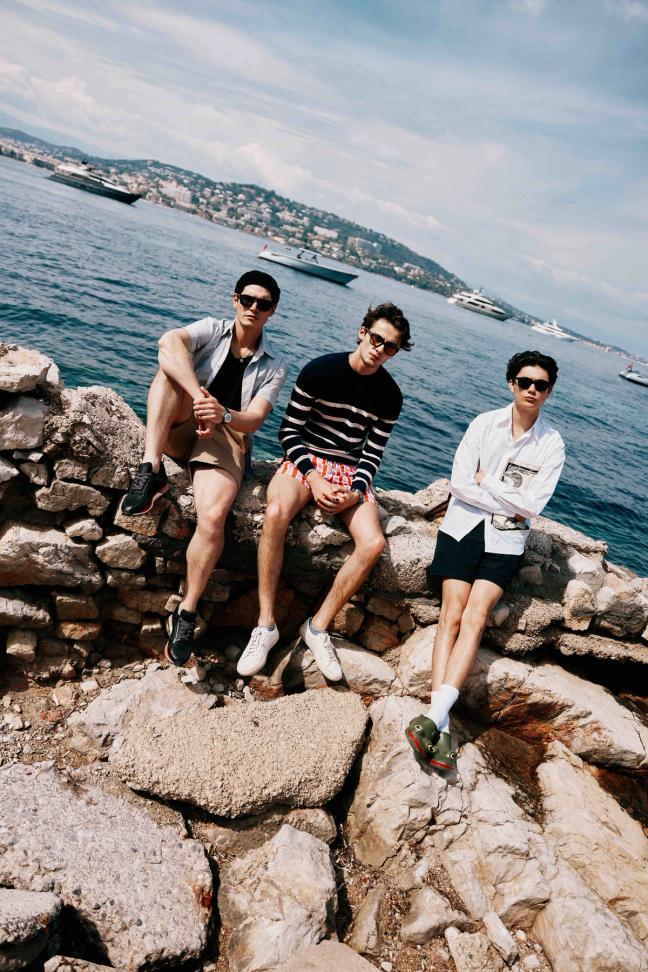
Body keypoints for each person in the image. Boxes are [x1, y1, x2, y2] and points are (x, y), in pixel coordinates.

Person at [406, 350, 565, 772]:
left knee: (476, 618)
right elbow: (460, 485)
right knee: (451, 616)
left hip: (507, 541)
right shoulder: (483, 424)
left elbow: (533, 508)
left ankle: (433, 718)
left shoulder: (552, 444)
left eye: (541, 384)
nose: (533, 389)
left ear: (549, 391)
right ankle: (439, 724)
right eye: (525, 381)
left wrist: (488, 481)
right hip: (462, 529)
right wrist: (499, 495)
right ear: (512, 383)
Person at [236, 303, 412, 681]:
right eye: (376, 338)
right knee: (275, 514)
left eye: (390, 346)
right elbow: (288, 431)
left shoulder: (390, 396)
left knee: (373, 543)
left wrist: (355, 491)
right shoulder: (320, 370)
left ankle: (317, 628)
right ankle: (265, 626)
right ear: (361, 332)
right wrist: (314, 478)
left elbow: (372, 454)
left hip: (350, 470)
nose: (379, 349)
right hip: (307, 459)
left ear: (396, 352)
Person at [121, 270, 287, 666]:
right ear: (235, 299)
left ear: (272, 311)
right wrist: (201, 399)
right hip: (189, 417)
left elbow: (256, 419)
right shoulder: (212, 329)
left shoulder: (274, 366)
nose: (253, 308)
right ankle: (152, 469)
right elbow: (169, 341)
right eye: (247, 299)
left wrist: (222, 414)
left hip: (225, 437)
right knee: (168, 369)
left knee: (212, 517)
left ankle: (187, 611)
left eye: (262, 304)